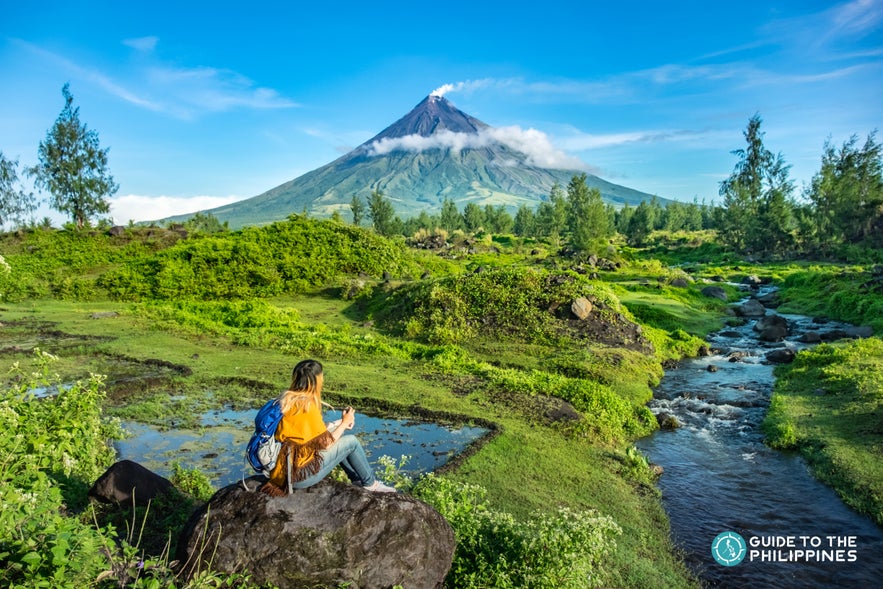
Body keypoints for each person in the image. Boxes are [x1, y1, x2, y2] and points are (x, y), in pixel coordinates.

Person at [260, 359, 396, 496]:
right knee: (352, 442)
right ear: (316, 380)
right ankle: (371, 484)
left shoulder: (285, 400)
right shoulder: (307, 406)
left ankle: (357, 479)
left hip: (282, 470)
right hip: (299, 475)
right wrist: (344, 423)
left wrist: (338, 423)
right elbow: (325, 444)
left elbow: (308, 434)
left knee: (337, 434)